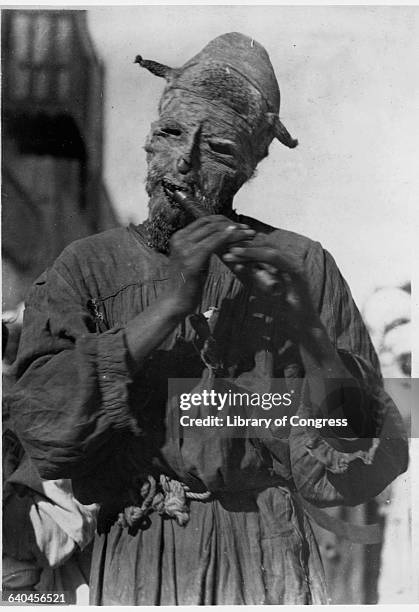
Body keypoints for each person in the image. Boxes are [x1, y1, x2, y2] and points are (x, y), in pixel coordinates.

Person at [5, 32, 408, 605]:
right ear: (148, 143)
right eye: (171, 134)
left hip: (269, 561)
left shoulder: (302, 267)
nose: (186, 163)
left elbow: (375, 458)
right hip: (139, 556)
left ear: (249, 168)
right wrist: (171, 303)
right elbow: (43, 429)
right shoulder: (88, 268)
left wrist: (308, 330)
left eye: (218, 148)